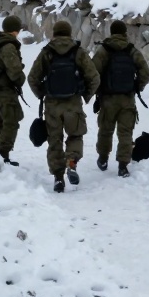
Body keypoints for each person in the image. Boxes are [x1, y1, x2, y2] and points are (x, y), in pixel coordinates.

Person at [27, 20, 99, 193]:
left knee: (54, 140)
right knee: (75, 135)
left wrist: (42, 94)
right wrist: (85, 95)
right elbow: (94, 77)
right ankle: (71, 163)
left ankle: (58, 178)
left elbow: (32, 78)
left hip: (52, 104)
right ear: (69, 33)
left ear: (55, 33)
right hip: (73, 103)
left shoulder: (47, 52)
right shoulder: (78, 52)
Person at [91, 19, 149, 177]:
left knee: (105, 130)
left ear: (111, 33)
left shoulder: (104, 50)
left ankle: (103, 159)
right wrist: (137, 87)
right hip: (127, 98)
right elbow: (145, 72)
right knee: (125, 133)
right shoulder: (132, 50)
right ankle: (123, 165)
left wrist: (98, 92)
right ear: (125, 33)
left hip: (108, 98)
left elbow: (92, 73)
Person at [0, 15, 26, 166]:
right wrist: (21, 79)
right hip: (4, 90)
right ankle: (2, 156)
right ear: (16, 30)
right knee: (11, 121)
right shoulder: (8, 46)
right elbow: (14, 71)